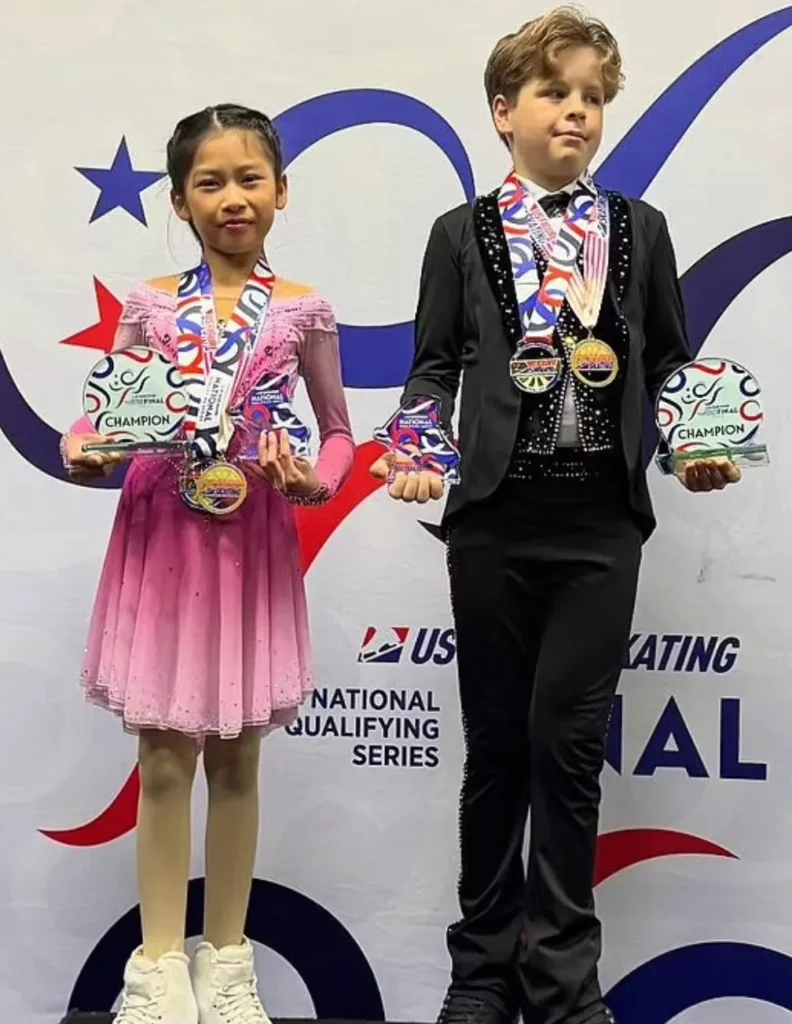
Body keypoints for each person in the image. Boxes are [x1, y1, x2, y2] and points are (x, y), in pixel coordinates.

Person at [371, 9, 740, 1024]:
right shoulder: (459, 234)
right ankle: (482, 975)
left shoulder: (640, 230)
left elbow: (668, 357)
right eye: (553, 93)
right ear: (505, 111)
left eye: (591, 98)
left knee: (566, 750)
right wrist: (414, 452)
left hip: (598, 529)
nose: (575, 111)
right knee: (496, 747)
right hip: (491, 520)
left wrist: (693, 441)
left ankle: (564, 982)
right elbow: (434, 365)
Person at [62, 104, 355, 1024]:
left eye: (249, 179)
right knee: (161, 761)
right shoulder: (150, 304)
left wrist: (311, 480)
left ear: (280, 191)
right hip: (163, 541)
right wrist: (84, 445)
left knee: (236, 761)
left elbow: (341, 435)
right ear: (182, 202)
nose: (233, 198)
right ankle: (155, 972)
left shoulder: (304, 308)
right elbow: (100, 413)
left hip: (252, 546)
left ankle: (227, 965)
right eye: (210, 183)